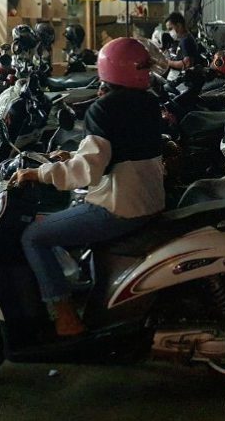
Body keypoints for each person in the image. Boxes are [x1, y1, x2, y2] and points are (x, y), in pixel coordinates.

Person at [12, 38, 165, 336]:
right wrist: (72, 156)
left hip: (118, 208)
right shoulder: (149, 102)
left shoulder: (104, 109)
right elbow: (117, 153)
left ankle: (66, 317)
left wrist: (39, 173)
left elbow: (87, 172)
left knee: (34, 236)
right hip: (150, 201)